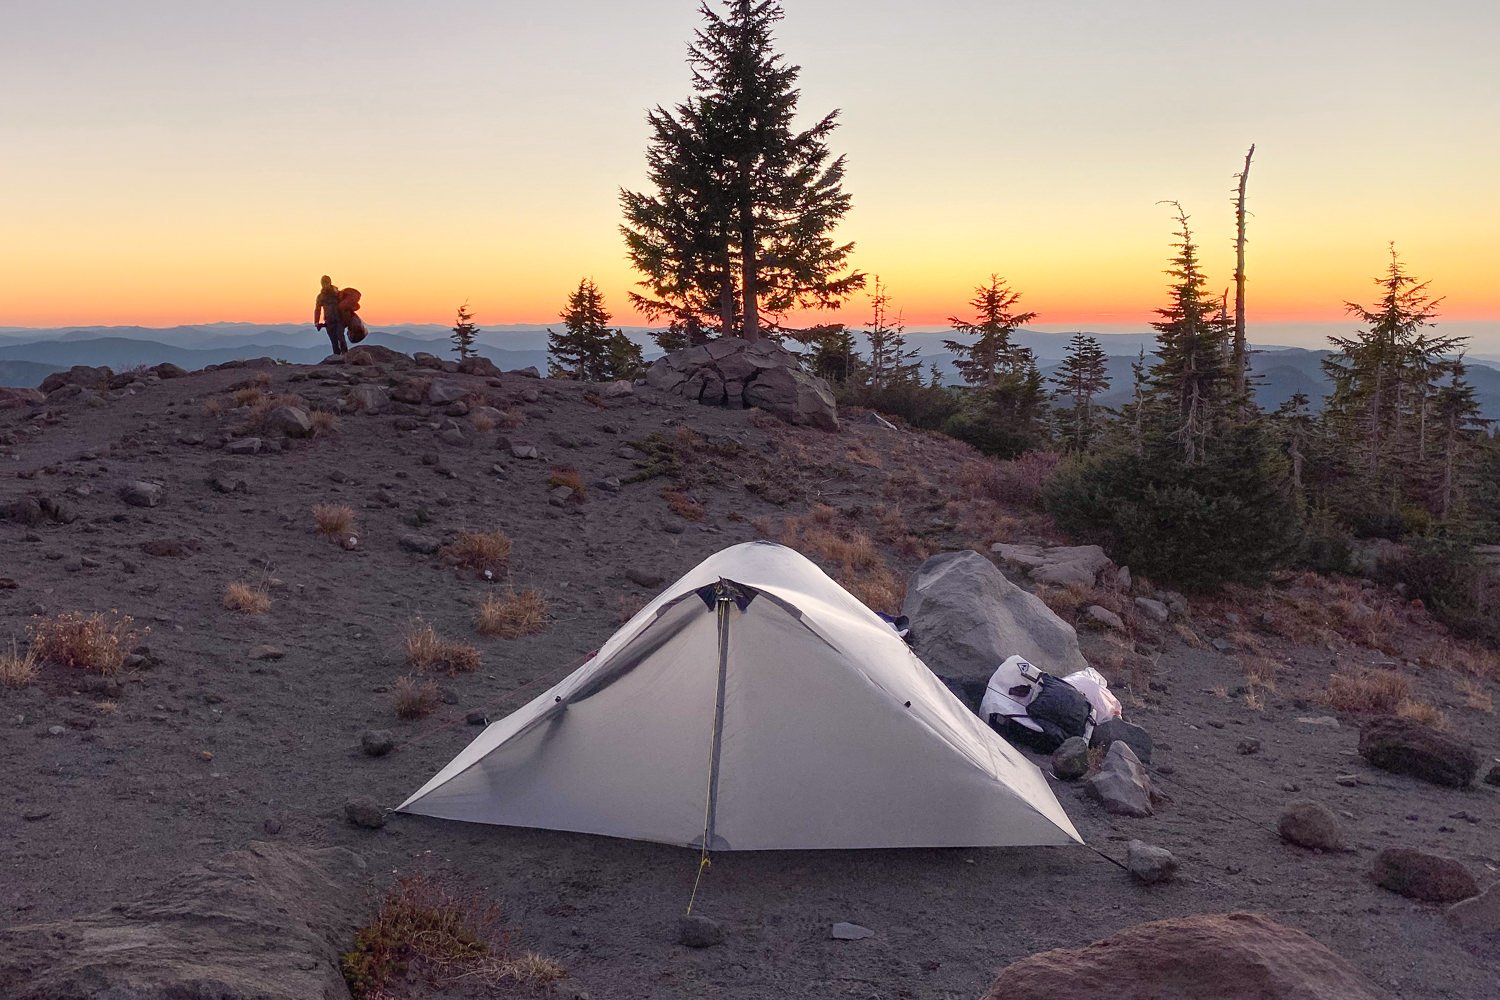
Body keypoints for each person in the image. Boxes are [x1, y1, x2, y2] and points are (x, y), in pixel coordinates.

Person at [314, 275, 347, 355]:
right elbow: (317, 309)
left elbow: (345, 304)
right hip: (329, 322)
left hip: (340, 319)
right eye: (323, 283)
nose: (324, 285)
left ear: (330, 282)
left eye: (326, 283)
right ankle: (337, 359)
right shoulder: (320, 297)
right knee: (334, 341)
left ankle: (346, 355)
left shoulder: (337, 293)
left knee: (340, 336)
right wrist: (316, 322)